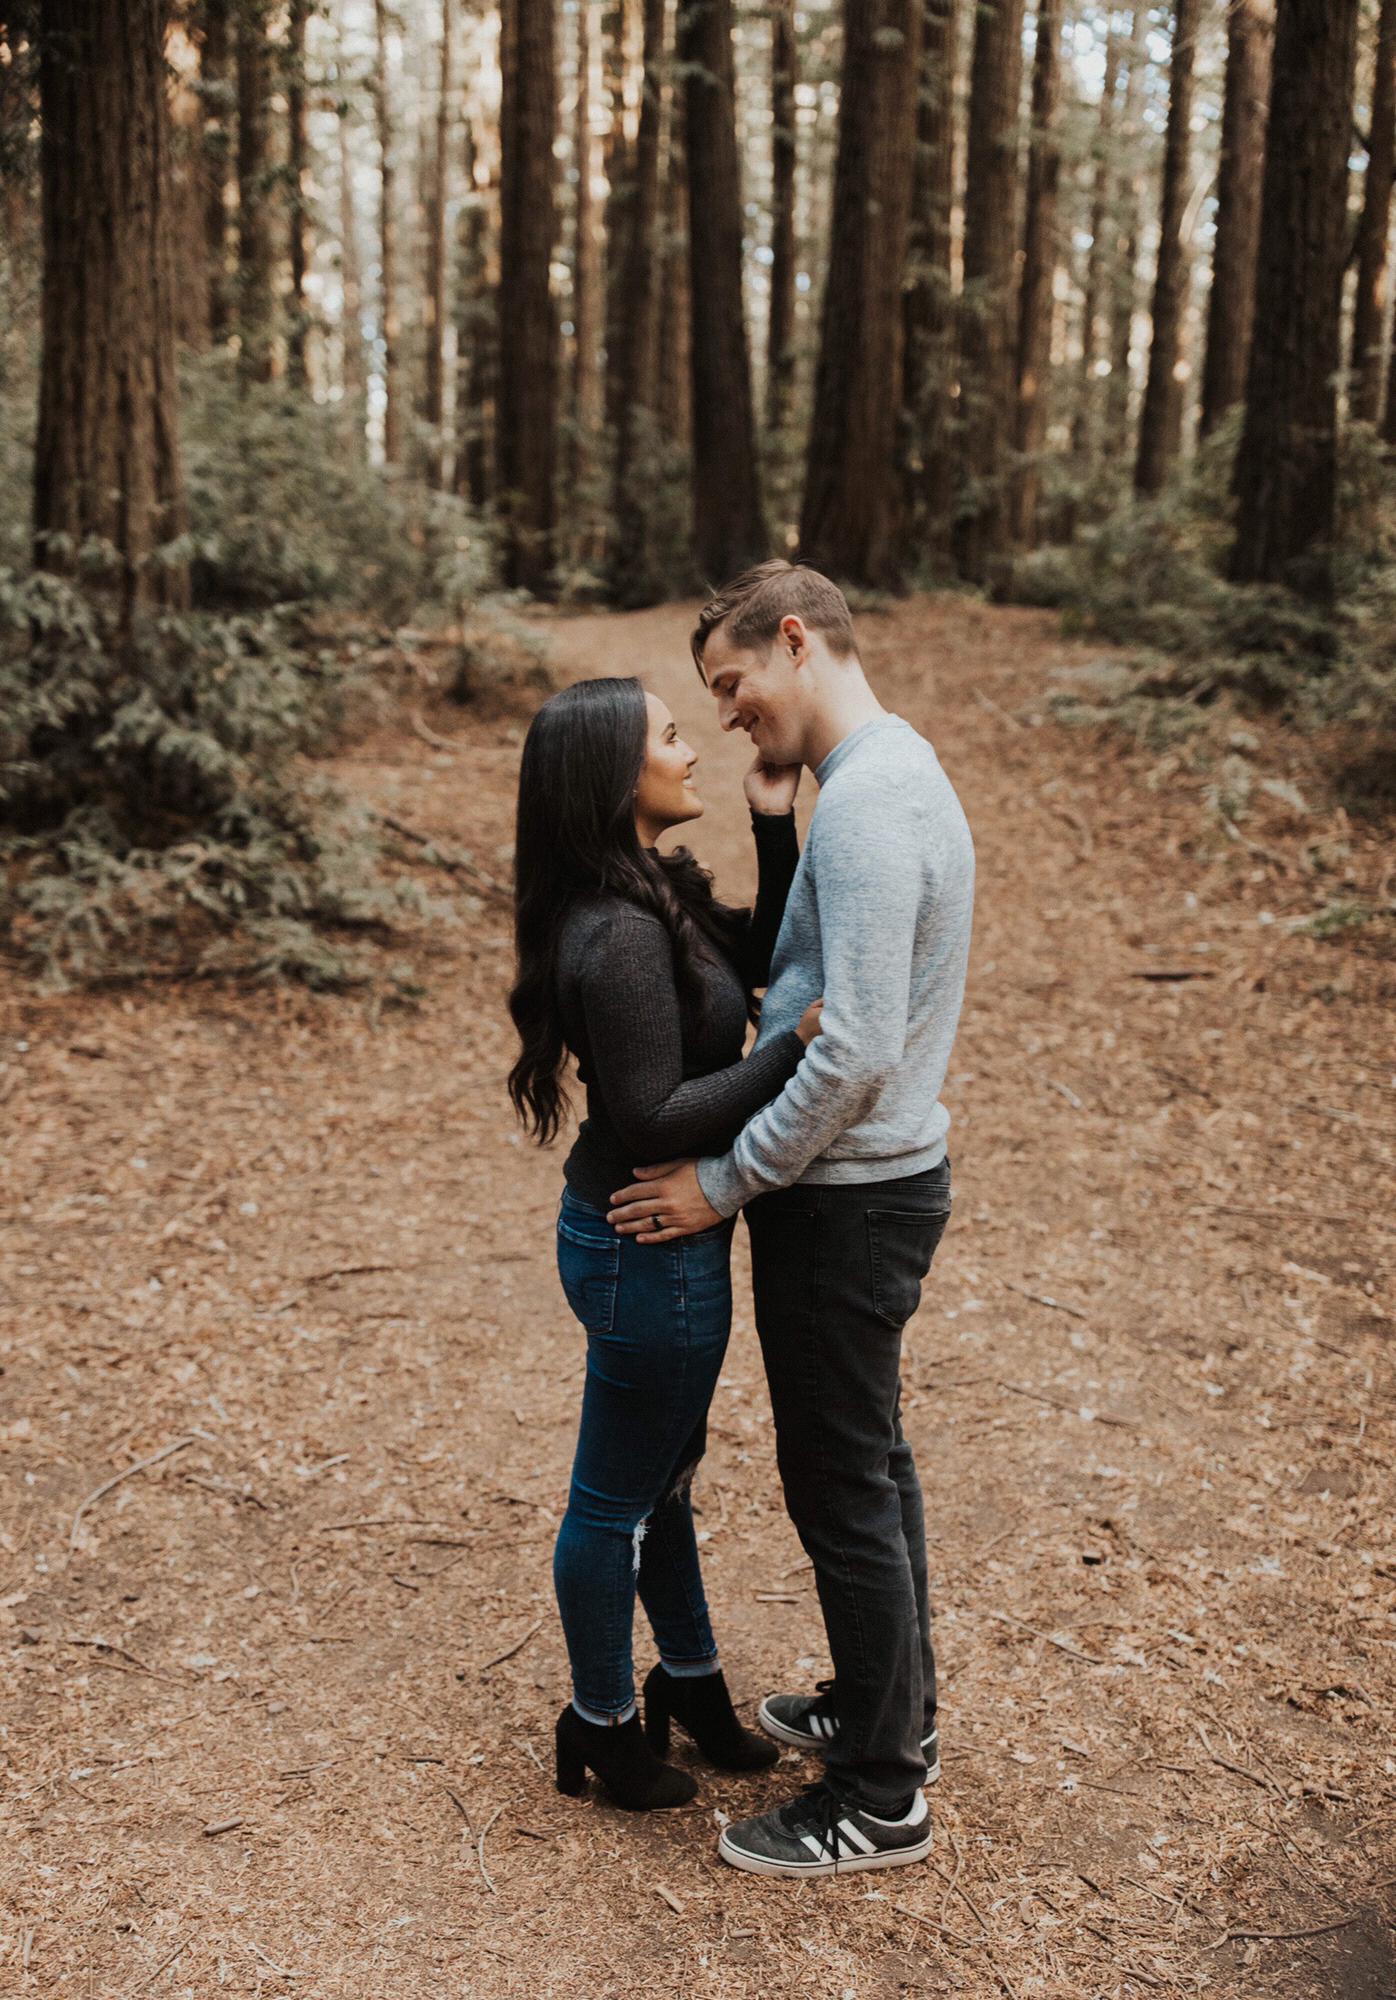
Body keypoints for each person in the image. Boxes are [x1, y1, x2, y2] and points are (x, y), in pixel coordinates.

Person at [607, 562, 975, 1877]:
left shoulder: (871, 807)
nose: (725, 717)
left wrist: (725, 1178)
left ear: (797, 641)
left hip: (851, 1199)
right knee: (871, 1466)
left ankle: (881, 1796)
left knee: (841, 1488)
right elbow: (804, 980)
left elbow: (854, 1048)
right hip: (873, 1186)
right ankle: (893, 1710)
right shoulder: (878, 777)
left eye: (732, 684)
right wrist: (773, 818)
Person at [507, 674, 824, 1813]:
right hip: (646, 1241)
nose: (689, 750)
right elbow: (653, 1117)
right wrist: (794, 1047)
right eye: (671, 738)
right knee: (614, 1500)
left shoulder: (653, 887)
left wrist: (772, 817)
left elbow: (762, 951)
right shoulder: (617, 933)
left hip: (649, 1240)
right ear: (612, 775)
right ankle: (598, 1720)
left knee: (664, 1481)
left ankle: (687, 1682)